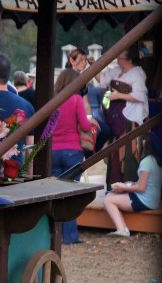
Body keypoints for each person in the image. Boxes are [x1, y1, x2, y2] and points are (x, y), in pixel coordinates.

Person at [49, 68, 93, 245]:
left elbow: (48, 129)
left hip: (53, 152)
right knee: (71, 195)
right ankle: (70, 236)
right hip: (72, 151)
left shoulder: (53, 100)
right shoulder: (75, 100)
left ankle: (54, 234)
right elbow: (84, 124)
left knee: (55, 194)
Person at [99, 46, 149, 187]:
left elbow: (139, 96)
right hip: (114, 115)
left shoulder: (137, 73)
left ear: (128, 60)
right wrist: (93, 66)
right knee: (114, 149)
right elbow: (102, 80)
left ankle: (127, 183)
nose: (117, 59)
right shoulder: (116, 71)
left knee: (126, 149)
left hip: (129, 117)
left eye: (120, 57)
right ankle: (113, 184)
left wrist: (118, 95)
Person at [103, 133, 162, 237]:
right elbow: (147, 183)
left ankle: (122, 230)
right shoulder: (156, 161)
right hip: (153, 200)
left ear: (143, 144)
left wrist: (123, 187)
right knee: (110, 195)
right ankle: (122, 228)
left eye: (138, 142)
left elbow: (141, 187)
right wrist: (129, 184)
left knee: (108, 200)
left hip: (145, 200)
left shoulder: (146, 162)